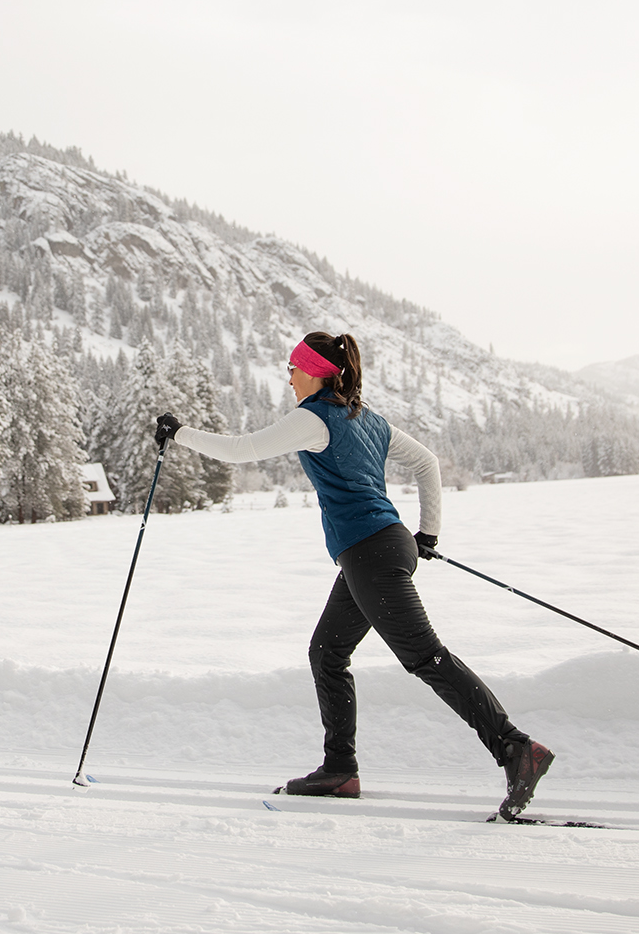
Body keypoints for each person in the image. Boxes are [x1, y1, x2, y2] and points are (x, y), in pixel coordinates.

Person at [154, 331, 554, 822]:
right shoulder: (367, 419)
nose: (289, 376)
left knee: (425, 656)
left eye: (293, 368)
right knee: (327, 652)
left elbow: (241, 450)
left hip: (371, 553)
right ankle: (340, 769)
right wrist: (426, 535)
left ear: (316, 371)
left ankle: (515, 748)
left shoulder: (314, 418)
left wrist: (179, 433)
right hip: (383, 546)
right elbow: (427, 463)